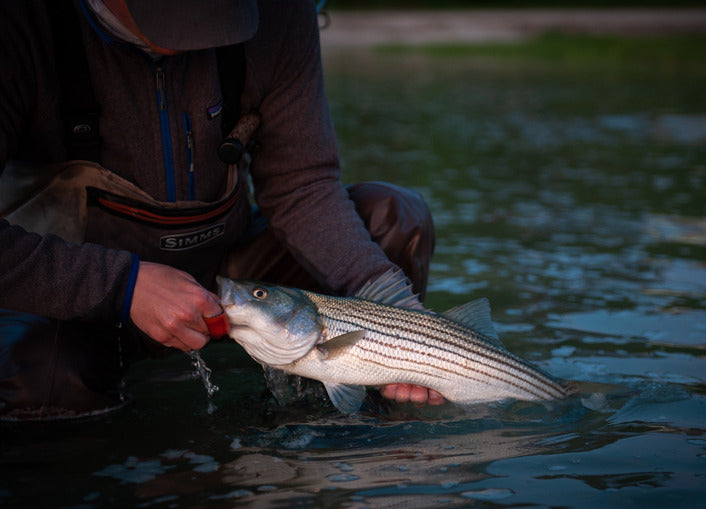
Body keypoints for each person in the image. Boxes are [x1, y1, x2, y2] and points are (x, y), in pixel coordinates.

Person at [0, 0, 442, 420]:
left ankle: (358, 425)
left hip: (227, 279)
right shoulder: (18, 23)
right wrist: (123, 284)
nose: (200, 28)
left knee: (393, 216)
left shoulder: (279, 12)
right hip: (67, 294)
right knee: (37, 378)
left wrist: (409, 329)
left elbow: (302, 185)